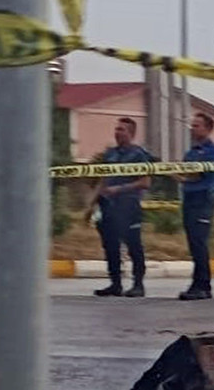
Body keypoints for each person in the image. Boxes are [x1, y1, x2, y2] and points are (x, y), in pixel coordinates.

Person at [85, 117, 152, 298]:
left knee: (133, 245)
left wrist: (120, 189)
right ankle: (115, 283)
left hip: (128, 204)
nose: (117, 132)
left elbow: (145, 182)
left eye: (121, 129)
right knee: (110, 245)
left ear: (131, 133)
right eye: (116, 129)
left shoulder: (138, 155)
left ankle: (138, 284)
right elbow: (104, 179)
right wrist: (92, 203)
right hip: (109, 205)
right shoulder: (111, 154)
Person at [176, 112, 214, 301]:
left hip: (203, 200)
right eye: (192, 125)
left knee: (199, 242)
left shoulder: (212, 151)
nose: (193, 129)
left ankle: (203, 285)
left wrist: (177, 175)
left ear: (208, 129)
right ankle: (196, 284)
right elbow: (186, 174)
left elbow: (196, 175)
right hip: (189, 199)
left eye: (197, 126)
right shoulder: (191, 152)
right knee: (193, 244)